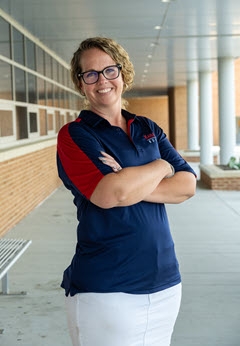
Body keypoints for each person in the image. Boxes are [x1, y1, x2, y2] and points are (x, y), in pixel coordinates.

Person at [57, 36, 196, 346]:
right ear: (81, 84)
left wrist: (127, 178)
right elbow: (111, 195)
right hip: (107, 289)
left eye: (109, 70)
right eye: (89, 74)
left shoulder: (147, 127)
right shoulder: (76, 135)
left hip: (165, 282)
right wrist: (161, 166)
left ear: (123, 73)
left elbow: (187, 185)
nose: (101, 80)